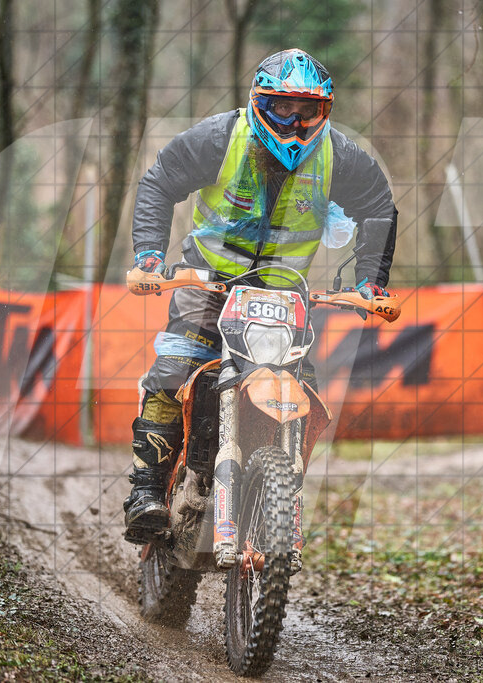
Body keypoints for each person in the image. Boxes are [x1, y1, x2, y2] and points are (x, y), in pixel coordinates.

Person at [123, 48, 397, 544]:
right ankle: (145, 491)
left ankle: (272, 492)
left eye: (306, 111)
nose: (293, 123)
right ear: (258, 102)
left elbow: (379, 204)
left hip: (282, 296)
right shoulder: (219, 138)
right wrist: (149, 256)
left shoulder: (341, 156)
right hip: (207, 283)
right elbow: (160, 182)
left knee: (302, 390)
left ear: (324, 112)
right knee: (173, 369)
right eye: (281, 108)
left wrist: (370, 280)